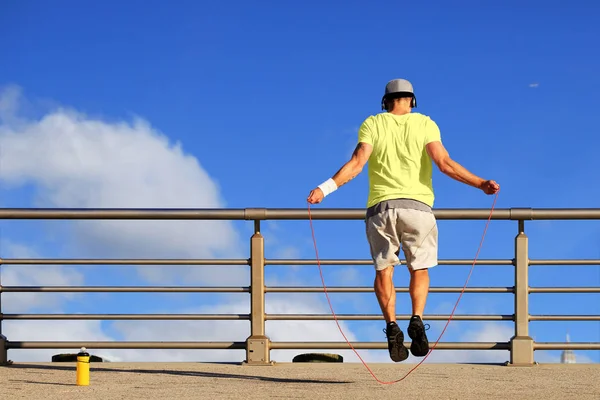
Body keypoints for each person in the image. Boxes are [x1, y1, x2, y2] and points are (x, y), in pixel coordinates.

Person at [307, 78, 500, 362]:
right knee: (419, 268)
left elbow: (358, 163)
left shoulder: (373, 123)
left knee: (384, 270)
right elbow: (444, 163)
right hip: (418, 209)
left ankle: (392, 326)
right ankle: (417, 319)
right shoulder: (425, 124)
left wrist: (325, 188)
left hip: (381, 209)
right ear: (412, 100)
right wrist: (481, 183)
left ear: (386, 102)